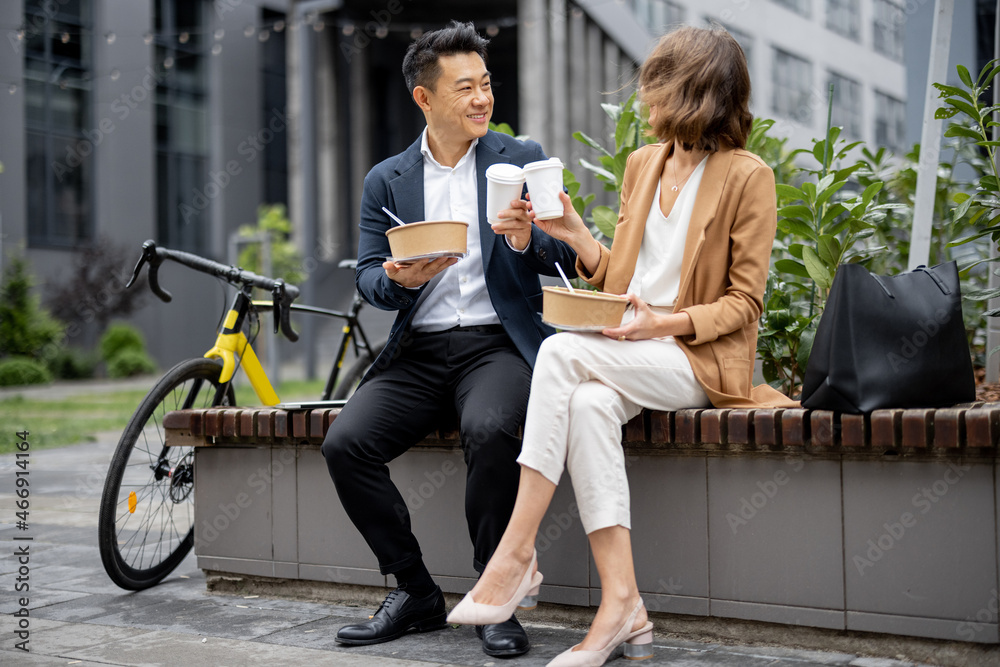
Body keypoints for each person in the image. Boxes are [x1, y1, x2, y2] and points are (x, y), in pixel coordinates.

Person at [445, 25, 797, 666]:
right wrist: (576, 235)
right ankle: (623, 608)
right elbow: (620, 280)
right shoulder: (644, 163)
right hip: (632, 347)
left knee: (558, 351)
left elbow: (744, 306)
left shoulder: (749, 177)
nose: (643, 97)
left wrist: (658, 325)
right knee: (585, 408)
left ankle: (515, 555)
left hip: (695, 359)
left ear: (690, 91)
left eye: (656, 84)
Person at [320, 21, 577, 658]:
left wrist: (524, 238)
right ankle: (415, 591)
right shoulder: (387, 180)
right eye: (465, 88)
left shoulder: (520, 158)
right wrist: (399, 280)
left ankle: (496, 593)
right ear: (424, 99)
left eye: (486, 84)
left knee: (491, 430)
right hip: (418, 351)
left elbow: (564, 252)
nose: (482, 99)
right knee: (345, 445)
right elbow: (369, 276)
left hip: (497, 344)